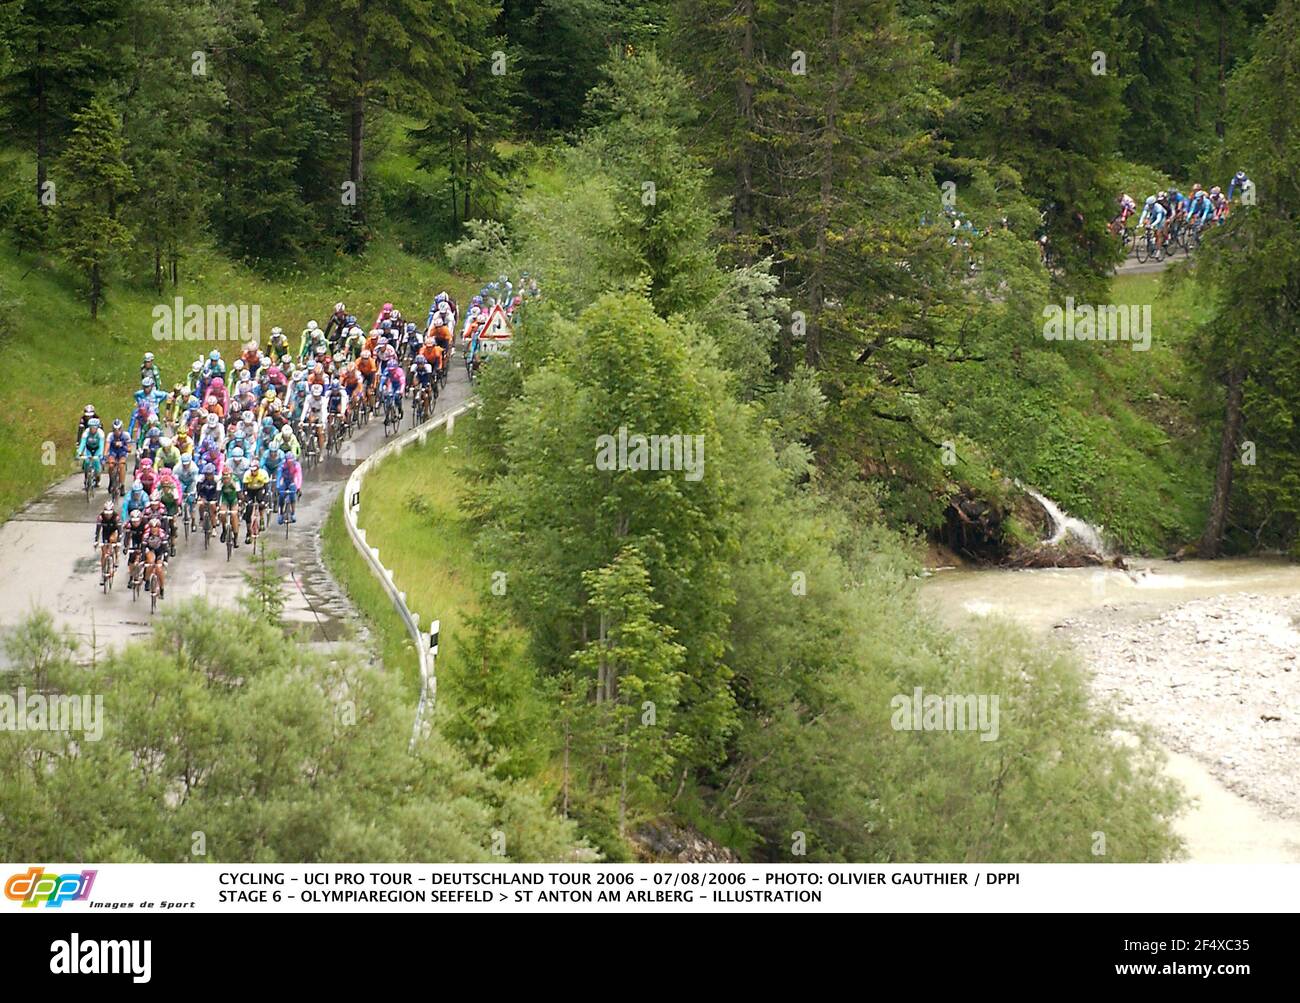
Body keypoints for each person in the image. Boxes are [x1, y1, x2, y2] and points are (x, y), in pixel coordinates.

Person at [242, 464, 271, 544]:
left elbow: (266, 489)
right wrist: (247, 500)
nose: (253, 472)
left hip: (260, 489)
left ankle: (261, 519)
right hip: (250, 490)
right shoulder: (247, 475)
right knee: (248, 509)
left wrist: (264, 501)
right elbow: (244, 490)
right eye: (251, 470)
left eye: (255, 470)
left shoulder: (263, 474)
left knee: (261, 502)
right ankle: (248, 533)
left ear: (258, 469)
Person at [141, 516, 169, 598]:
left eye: (156, 528)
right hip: (150, 550)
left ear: (159, 528)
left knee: (159, 569)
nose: (154, 530)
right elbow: (143, 548)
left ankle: (161, 588)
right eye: (152, 528)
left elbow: (166, 549)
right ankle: (147, 580)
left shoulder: (162, 535)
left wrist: (165, 560)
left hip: (160, 551)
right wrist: (143, 560)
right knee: (150, 562)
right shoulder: (146, 535)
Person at [77, 417, 106, 487]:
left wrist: (101, 455)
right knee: (87, 462)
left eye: (94, 428)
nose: (92, 429)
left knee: (96, 462)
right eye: (91, 427)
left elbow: (101, 445)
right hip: (88, 448)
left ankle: (97, 477)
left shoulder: (100, 433)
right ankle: (86, 477)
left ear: (97, 428)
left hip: (97, 449)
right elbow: (83, 443)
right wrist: (79, 453)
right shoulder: (86, 432)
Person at [277, 452, 302, 523]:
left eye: (291, 462)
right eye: (288, 462)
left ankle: (293, 513)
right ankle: (281, 513)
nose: (290, 463)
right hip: (284, 480)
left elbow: (298, 476)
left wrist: (298, 488)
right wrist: (278, 487)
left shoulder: (297, 465)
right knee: (281, 496)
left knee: (292, 495)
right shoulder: (282, 465)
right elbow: (279, 476)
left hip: (292, 481)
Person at [94, 501, 120, 571]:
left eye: (109, 514)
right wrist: (96, 541)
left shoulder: (116, 517)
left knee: (113, 541)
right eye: (106, 514)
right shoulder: (100, 517)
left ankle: (116, 556)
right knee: (104, 552)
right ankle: (103, 571)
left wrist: (118, 542)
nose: (108, 516)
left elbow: (120, 530)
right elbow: (98, 530)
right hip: (105, 532)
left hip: (114, 531)